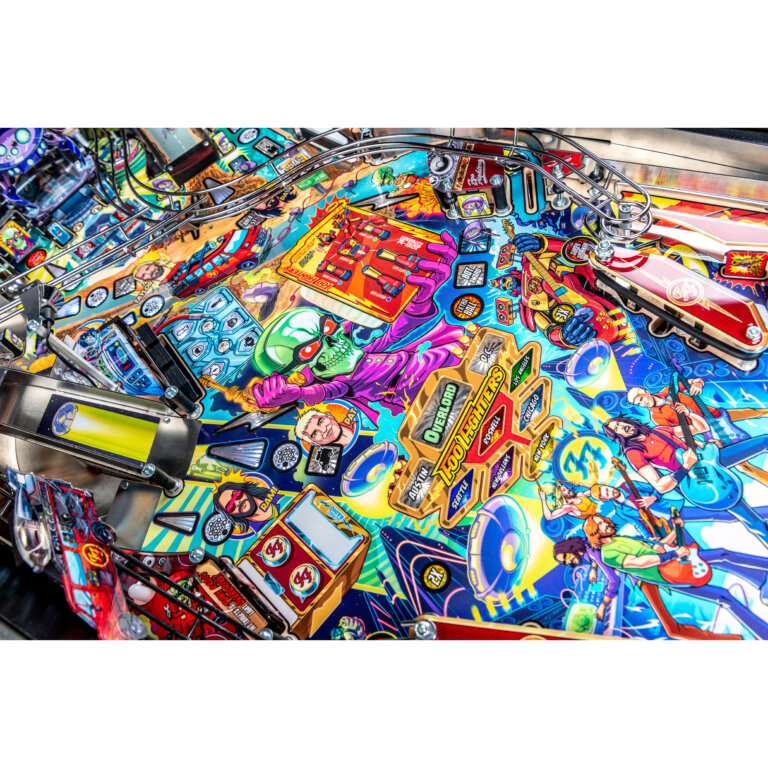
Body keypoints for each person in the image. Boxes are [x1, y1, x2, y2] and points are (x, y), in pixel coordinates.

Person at [584, 514, 768, 639]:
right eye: (600, 524)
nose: (606, 523)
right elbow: (638, 563)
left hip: (672, 564)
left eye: (603, 520)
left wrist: (675, 530)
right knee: (722, 581)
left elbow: (656, 548)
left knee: (722, 560)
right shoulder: (608, 554)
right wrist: (672, 555)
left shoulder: (620, 539)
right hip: (667, 573)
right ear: (594, 532)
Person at [603, 415, 768, 546]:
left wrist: (688, 413)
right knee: (750, 518)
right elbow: (660, 486)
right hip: (695, 480)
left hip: (709, 459)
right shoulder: (633, 453)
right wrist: (686, 466)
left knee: (764, 441)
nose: (621, 426)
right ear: (618, 436)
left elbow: (701, 428)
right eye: (616, 429)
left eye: (620, 423)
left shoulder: (659, 430)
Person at [553, 535, 738, 640]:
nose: (569, 562)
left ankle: (732, 640)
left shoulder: (596, 553)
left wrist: (603, 605)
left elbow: (614, 580)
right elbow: (597, 557)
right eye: (565, 562)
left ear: (569, 548)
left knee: (673, 629)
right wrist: (594, 569)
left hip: (648, 576)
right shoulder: (590, 547)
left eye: (566, 558)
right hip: (648, 568)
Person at [628, 380, 768, 484]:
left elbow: (694, 381)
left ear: (646, 392)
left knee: (757, 412)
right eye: (638, 403)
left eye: (641, 399)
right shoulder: (657, 417)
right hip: (709, 431)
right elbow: (681, 435)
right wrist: (704, 444)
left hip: (715, 414)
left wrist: (697, 385)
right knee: (742, 466)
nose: (642, 403)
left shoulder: (669, 390)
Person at [212, 481, 277, 536]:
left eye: (236, 495)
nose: (237, 502)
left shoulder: (277, 494)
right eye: (231, 506)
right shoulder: (255, 534)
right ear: (230, 515)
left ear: (243, 490)